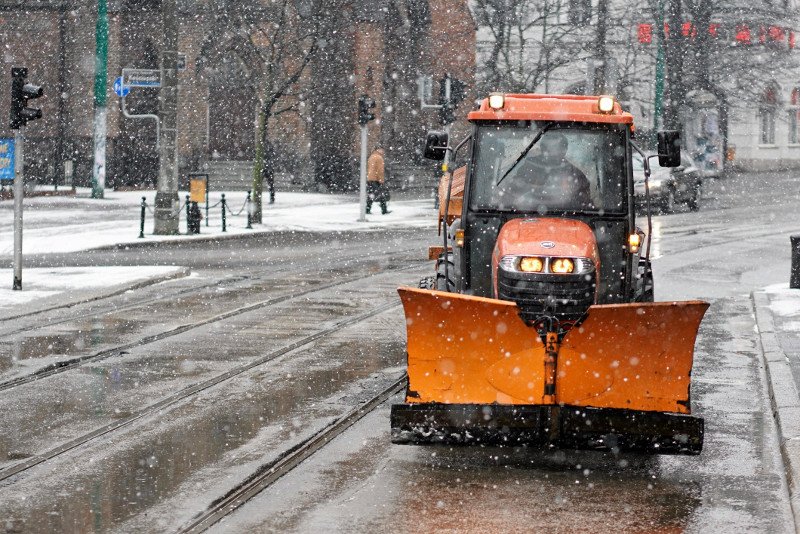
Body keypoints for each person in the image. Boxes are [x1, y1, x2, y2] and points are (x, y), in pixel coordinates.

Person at [514, 132, 593, 210]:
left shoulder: (575, 174)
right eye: (545, 148)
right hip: (527, 216)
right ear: (542, 149)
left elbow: (584, 207)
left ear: (564, 150)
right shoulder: (529, 166)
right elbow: (513, 192)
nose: (549, 153)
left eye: (555, 148)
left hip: (565, 218)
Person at [366, 146, 389, 215]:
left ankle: (367, 209)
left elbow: (369, 168)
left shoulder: (371, 157)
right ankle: (384, 210)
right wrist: (381, 180)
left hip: (370, 178)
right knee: (381, 195)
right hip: (376, 179)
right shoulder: (379, 158)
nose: (383, 152)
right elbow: (380, 170)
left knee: (371, 195)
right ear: (378, 150)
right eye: (382, 150)